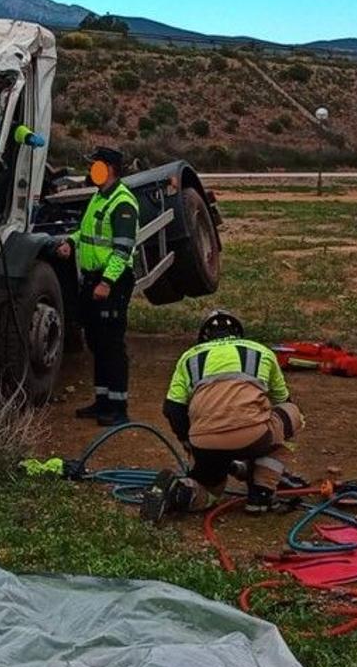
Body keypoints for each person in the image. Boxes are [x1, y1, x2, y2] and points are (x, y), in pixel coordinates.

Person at [141, 310, 305, 523]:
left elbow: (172, 408)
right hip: (253, 437)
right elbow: (283, 399)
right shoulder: (260, 351)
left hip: (204, 442)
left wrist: (188, 442)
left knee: (210, 491)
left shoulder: (189, 357)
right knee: (291, 414)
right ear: (238, 333)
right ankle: (262, 491)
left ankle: (180, 492)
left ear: (205, 337)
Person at [54, 147, 138, 426]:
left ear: (110, 168)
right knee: (97, 343)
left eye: (97, 166)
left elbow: (122, 250)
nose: (92, 170)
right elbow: (87, 232)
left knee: (112, 345)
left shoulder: (123, 203)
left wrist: (106, 282)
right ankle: (102, 401)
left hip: (111, 282)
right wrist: (71, 241)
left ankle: (119, 407)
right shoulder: (99, 197)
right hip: (93, 279)